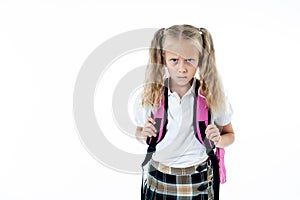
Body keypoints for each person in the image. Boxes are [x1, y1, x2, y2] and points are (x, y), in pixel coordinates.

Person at [134, 24, 235, 200]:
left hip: (199, 180)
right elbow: (138, 131)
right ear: (163, 58)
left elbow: (230, 134)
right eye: (174, 60)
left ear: (201, 59)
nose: (182, 69)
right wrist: (143, 133)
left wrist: (218, 140)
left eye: (189, 60)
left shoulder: (213, 96)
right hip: (159, 177)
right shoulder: (150, 96)